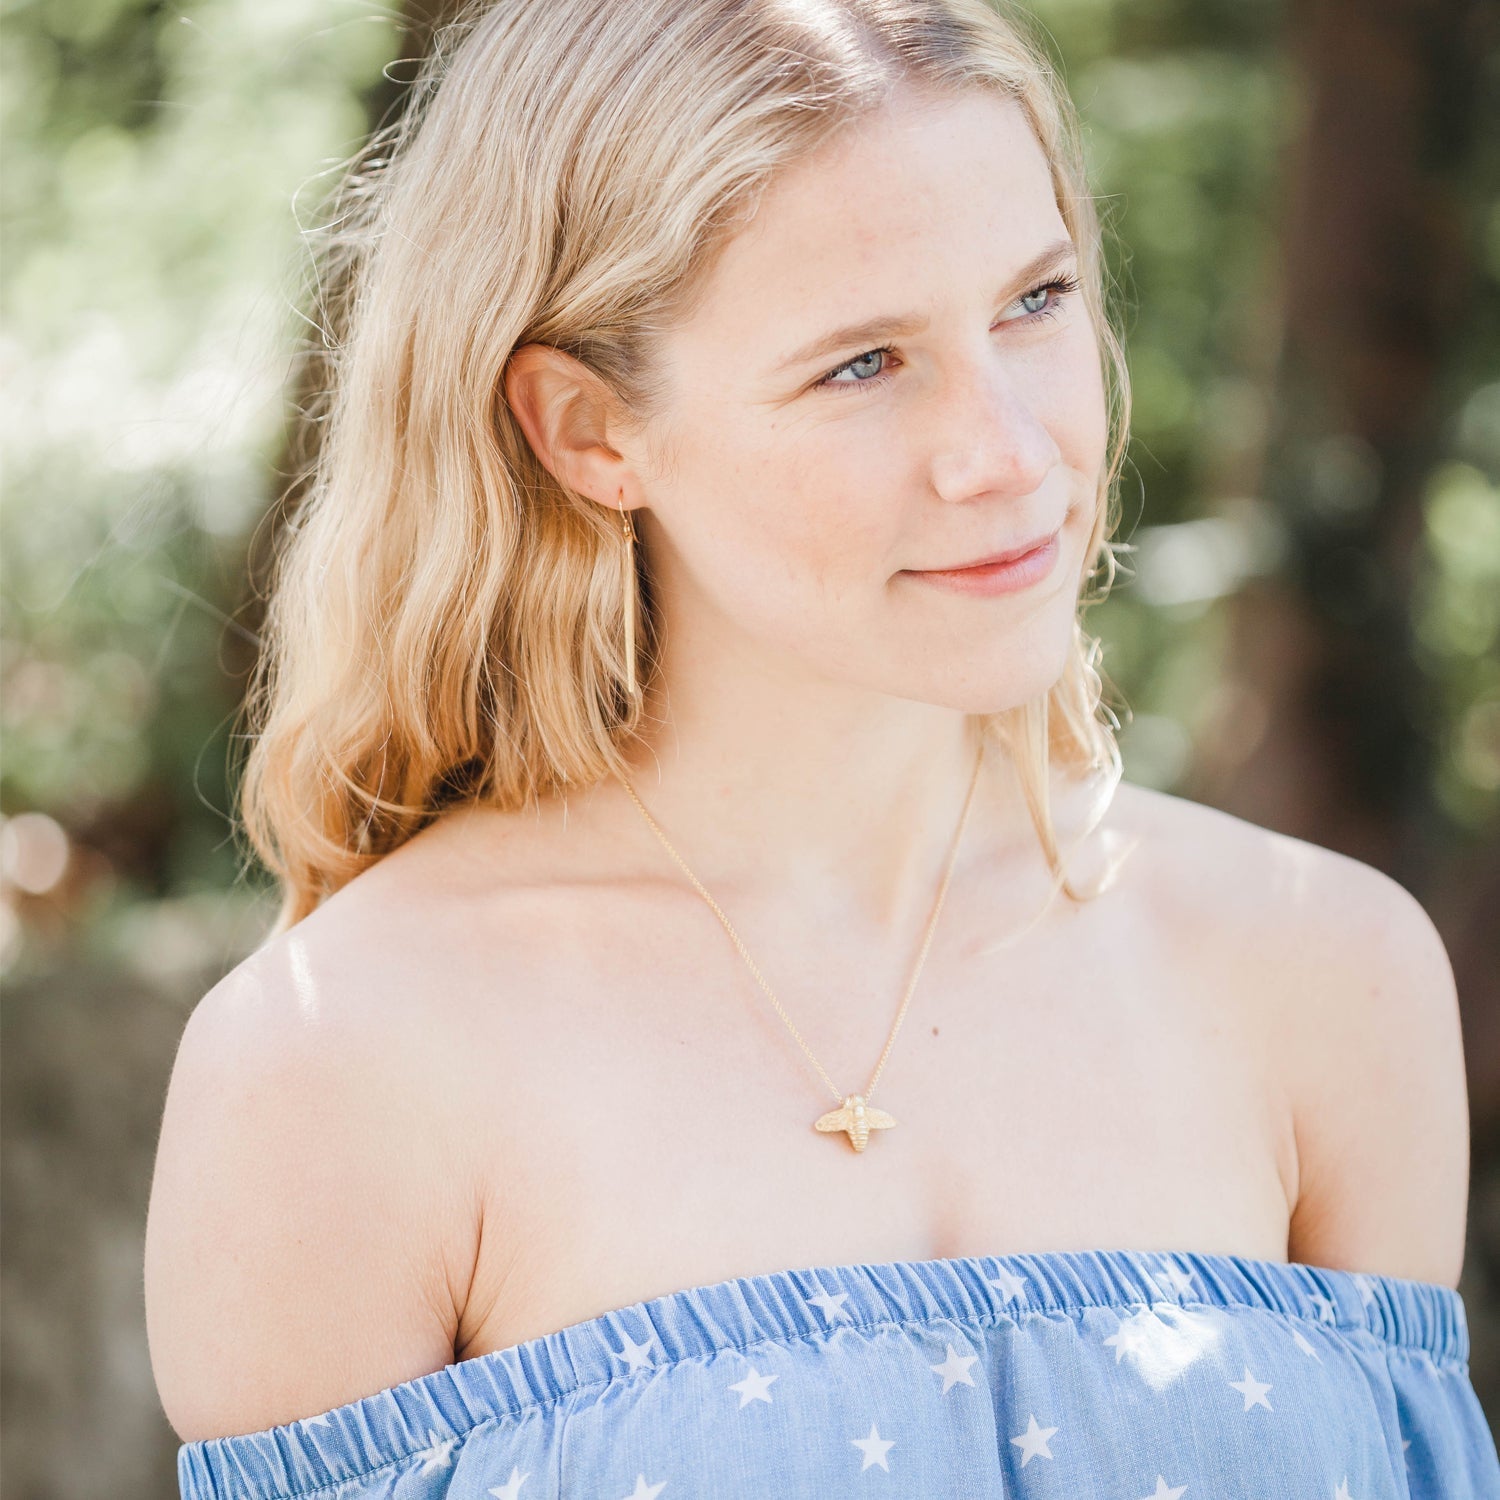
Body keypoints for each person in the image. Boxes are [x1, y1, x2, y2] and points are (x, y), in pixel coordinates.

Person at [144, 0, 1499, 1495]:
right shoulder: (340, 1063)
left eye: (1035, 302)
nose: (1010, 450)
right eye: (863, 364)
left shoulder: (1326, 974)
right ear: (589, 429)